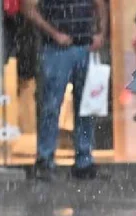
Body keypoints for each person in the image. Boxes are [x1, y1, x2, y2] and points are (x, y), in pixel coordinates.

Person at [22, 0, 108, 181]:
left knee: (84, 107)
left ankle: (81, 160)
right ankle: (48, 159)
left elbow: (99, 4)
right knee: (52, 106)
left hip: (80, 46)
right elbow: (28, 8)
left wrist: (100, 33)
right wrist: (54, 34)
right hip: (57, 48)